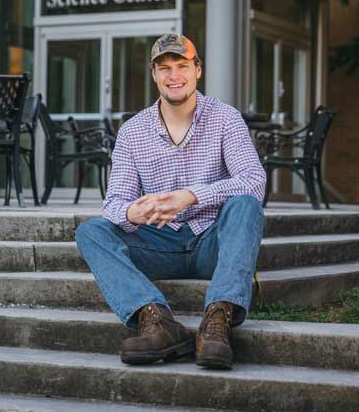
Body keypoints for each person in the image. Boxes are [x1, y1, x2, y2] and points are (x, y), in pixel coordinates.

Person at [75, 34, 266, 370]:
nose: (173, 75)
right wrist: (132, 212)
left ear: (197, 70)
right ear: (154, 75)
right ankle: (157, 321)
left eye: (181, 66)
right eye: (164, 68)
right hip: (159, 244)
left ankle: (217, 323)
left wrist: (192, 196)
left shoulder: (226, 118)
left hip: (213, 243)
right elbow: (114, 202)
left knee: (246, 204)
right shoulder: (133, 131)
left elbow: (253, 180)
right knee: (92, 231)